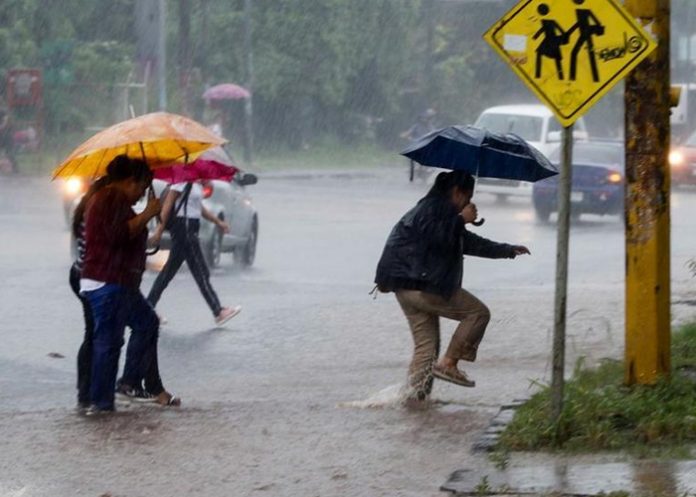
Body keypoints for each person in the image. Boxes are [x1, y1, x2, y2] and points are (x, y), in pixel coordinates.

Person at [374, 170, 530, 403]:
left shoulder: (437, 211)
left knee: (426, 349)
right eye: (468, 198)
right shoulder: (434, 209)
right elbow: (435, 237)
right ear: (458, 193)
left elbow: (464, 242)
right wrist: (461, 219)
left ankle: (413, 402)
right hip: (420, 283)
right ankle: (449, 363)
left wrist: (506, 250)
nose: (469, 203)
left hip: (404, 286)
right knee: (477, 313)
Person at [80, 156, 177, 413]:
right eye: (142, 188)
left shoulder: (117, 200)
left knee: (147, 323)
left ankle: (128, 382)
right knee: (108, 343)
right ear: (130, 181)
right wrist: (147, 214)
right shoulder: (110, 198)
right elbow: (118, 235)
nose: (141, 195)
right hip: (107, 283)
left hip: (119, 283)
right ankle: (102, 404)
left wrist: (146, 219)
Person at [147, 181, 242, 325]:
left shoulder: (194, 183)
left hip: (190, 229)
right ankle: (218, 311)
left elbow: (199, 209)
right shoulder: (180, 182)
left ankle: (148, 308)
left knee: (167, 273)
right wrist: (159, 230)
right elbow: (167, 206)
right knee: (201, 272)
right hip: (184, 229)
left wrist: (218, 222)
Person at [401, 109, 437, 182]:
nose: (424, 120)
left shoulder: (430, 127)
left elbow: (435, 134)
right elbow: (407, 134)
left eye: (426, 118)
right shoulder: (416, 126)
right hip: (416, 146)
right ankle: (414, 173)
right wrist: (406, 136)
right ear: (420, 119)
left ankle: (424, 172)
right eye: (423, 118)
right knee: (411, 160)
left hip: (426, 147)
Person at [0, 108, 17, 173]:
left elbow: (6, 117)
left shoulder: (2, 111)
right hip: (3, 137)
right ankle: (15, 169)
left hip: (6, 137)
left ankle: (15, 169)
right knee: (9, 153)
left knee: (9, 153)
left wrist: (2, 125)